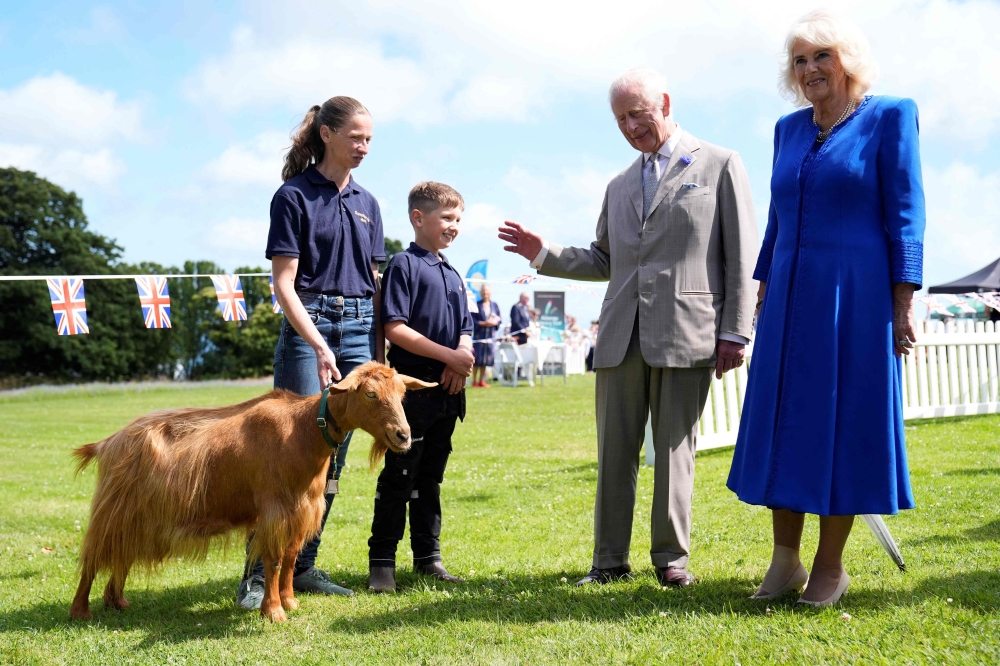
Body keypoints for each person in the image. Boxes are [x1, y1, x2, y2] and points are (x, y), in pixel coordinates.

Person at [499, 68, 757, 588]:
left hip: (689, 333)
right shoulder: (618, 185)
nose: (629, 126)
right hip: (620, 336)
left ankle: (671, 560)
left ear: (663, 102)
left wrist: (736, 331)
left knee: (673, 451)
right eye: (619, 119)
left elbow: (742, 256)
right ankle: (608, 562)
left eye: (636, 114)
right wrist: (543, 254)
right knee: (614, 452)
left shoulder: (721, 163)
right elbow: (603, 258)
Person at [726, 10, 924, 607]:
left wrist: (903, 301)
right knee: (785, 420)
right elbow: (777, 222)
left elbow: (907, 215)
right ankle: (784, 560)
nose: (810, 69)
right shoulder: (788, 129)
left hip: (856, 299)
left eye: (822, 56)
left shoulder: (891, 115)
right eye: (800, 60)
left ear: (848, 60)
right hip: (788, 297)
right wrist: (761, 292)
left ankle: (830, 566)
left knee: (843, 424)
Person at [237, 96, 386, 609]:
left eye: (369, 139)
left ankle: (301, 567)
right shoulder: (293, 197)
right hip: (310, 326)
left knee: (334, 461)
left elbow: (374, 283)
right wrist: (319, 342)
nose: (364, 146)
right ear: (327, 135)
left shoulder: (369, 203)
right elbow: (283, 284)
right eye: (356, 137)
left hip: (361, 328)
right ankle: (257, 578)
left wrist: (378, 358)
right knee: (286, 458)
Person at [368, 181, 474, 592]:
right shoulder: (403, 265)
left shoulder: (451, 272)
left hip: (449, 395)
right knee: (400, 476)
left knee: (430, 478)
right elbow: (395, 327)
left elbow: (465, 328)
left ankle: (428, 557)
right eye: (447, 218)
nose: (454, 226)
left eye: (458, 219)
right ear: (418, 218)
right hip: (413, 397)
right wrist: (447, 358)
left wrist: (459, 361)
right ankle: (382, 563)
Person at [471, 284, 501, 387]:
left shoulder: (495, 305)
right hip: (480, 336)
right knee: (477, 359)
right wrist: (483, 323)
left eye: (487, 291)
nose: (485, 293)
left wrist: (494, 323)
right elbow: (472, 320)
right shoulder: (476, 305)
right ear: (481, 293)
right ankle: (474, 380)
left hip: (490, 337)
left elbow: (499, 319)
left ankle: (481, 380)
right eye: (483, 291)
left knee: (486, 360)